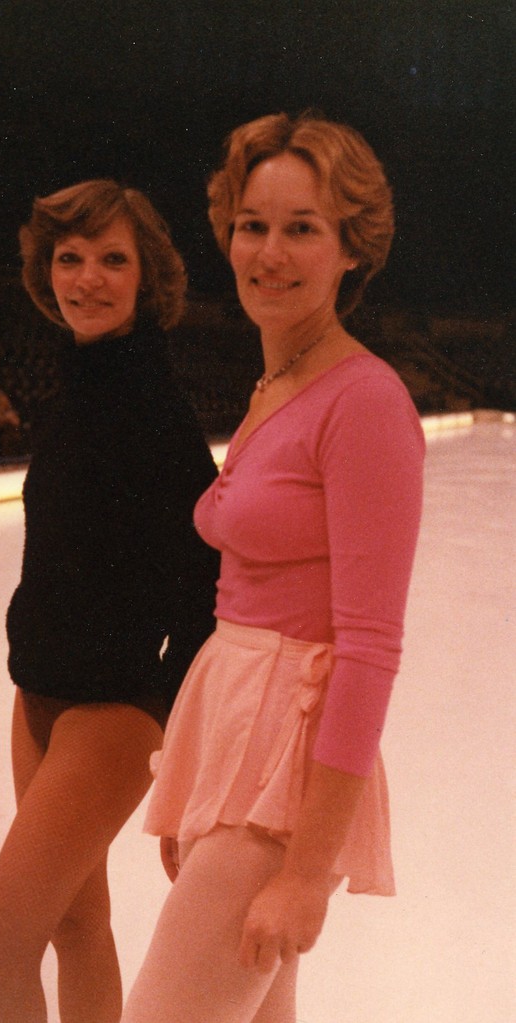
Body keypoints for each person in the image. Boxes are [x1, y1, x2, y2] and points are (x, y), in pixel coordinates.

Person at [121, 112, 425, 1023]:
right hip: (233, 746)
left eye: (304, 228)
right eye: (254, 224)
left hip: (287, 778)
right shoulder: (277, 383)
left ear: (350, 251)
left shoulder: (366, 402)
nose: (271, 251)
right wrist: (194, 772)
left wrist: (305, 871)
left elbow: (368, 649)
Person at [0, 179, 219, 1023]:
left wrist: (185, 764)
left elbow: (205, 594)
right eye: (70, 258)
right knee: (79, 924)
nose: (88, 278)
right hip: (35, 694)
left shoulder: (158, 414)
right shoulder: (76, 389)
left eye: (114, 259)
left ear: (148, 279)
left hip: (110, 715)